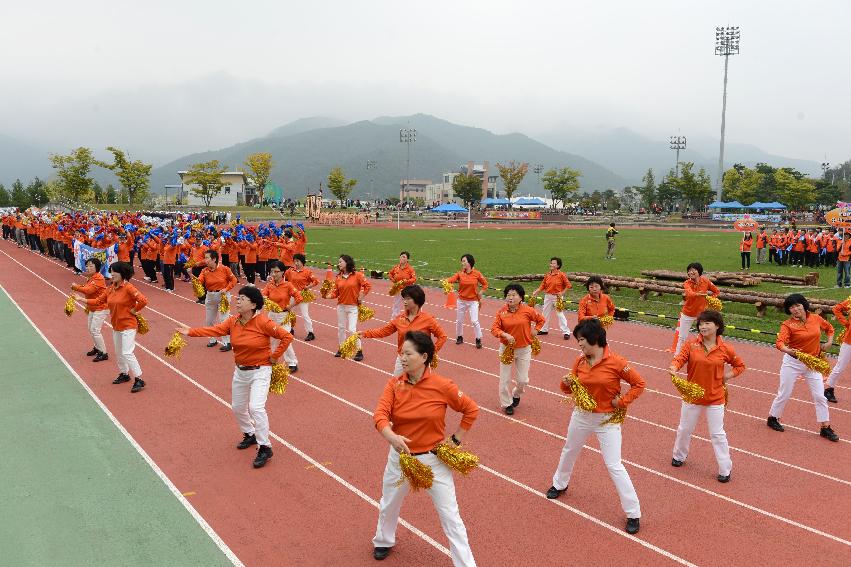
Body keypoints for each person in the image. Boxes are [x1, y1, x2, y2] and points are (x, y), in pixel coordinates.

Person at [371, 331, 479, 565]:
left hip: (433, 462)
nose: (402, 357)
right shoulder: (394, 384)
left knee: (451, 516)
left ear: (424, 356)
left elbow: (471, 409)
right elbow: (379, 415)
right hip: (400, 459)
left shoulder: (442, 386)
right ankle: (383, 540)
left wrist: (456, 439)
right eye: (401, 353)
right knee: (389, 503)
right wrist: (392, 437)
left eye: (408, 353)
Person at [546, 319, 645, 535]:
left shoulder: (617, 362)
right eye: (578, 340)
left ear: (595, 339)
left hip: (607, 420)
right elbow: (567, 390)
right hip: (581, 415)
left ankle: (633, 512)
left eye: (582, 339)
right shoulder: (579, 361)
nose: (579, 344)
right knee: (569, 450)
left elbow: (639, 383)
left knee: (614, 464)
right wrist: (566, 382)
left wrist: (622, 401)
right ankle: (559, 484)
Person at [177, 286, 293, 469]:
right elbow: (215, 330)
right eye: (237, 298)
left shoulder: (263, 322)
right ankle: (250, 433)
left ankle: (265, 447)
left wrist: (275, 356)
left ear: (254, 304)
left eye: (242, 299)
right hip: (240, 371)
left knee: (256, 407)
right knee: (238, 407)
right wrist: (191, 331)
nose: (237, 301)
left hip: (261, 371)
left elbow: (286, 336)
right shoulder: (233, 321)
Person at [668, 310, 745, 482]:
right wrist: (674, 367)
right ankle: (679, 456)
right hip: (692, 396)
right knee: (685, 429)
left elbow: (740, 366)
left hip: (715, 397)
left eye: (707, 323)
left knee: (717, 434)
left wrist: (727, 376)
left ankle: (725, 469)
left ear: (717, 326)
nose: (703, 326)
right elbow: (680, 359)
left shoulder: (726, 348)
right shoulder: (691, 345)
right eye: (701, 324)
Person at [767, 294, 839, 442]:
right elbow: (779, 343)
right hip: (792, 363)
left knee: (820, 395)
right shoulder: (787, 325)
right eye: (791, 307)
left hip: (812, 363)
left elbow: (830, 328)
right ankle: (773, 417)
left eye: (798, 305)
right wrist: (789, 351)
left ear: (804, 305)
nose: (795, 309)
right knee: (784, 393)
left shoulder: (816, 318)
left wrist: (830, 342)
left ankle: (825, 427)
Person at [76, 261, 148, 393]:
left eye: (115, 271)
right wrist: (82, 300)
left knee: (127, 352)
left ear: (123, 273)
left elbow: (143, 300)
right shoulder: (110, 289)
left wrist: (134, 310)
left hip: (128, 325)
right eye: (111, 271)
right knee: (119, 352)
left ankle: (139, 378)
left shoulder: (129, 288)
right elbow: (98, 301)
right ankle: (124, 374)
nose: (112, 274)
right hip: (116, 326)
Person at [361, 285, 447, 375]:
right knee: (397, 386)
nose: (404, 302)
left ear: (417, 300)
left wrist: (432, 351)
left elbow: (442, 336)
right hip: (403, 359)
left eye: (408, 299)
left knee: (420, 388)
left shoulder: (428, 320)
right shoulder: (399, 319)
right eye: (404, 299)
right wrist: (364, 334)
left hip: (420, 361)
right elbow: (383, 331)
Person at [492, 284, 545, 415]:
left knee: (523, 380)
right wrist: (505, 334)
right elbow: (494, 329)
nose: (510, 297)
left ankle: (516, 393)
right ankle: (507, 403)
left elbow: (541, 320)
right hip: (506, 349)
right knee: (504, 379)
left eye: (513, 295)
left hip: (524, 349)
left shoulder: (528, 310)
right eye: (508, 295)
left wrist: (536, 330)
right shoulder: (501, 312)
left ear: (521, 297)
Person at [330, 254, 371, 361]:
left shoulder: (357, 275)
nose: (338, 264)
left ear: (347, 263)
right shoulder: (338, 277)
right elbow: (336, 293)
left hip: (353, 307)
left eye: (340, 262)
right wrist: (328, 296)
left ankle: (359, 351)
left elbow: (367, 286)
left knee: (352, 329)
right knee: (341, 328)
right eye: (338, 262)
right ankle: (342, 348)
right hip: (341, 307)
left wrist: (361, 296)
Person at [262, 261, 301, 372]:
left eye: (276, 272)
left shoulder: (288, 285)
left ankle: (292, 363)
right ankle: (273, 361)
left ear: (283, 272)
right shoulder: (270, 285)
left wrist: (290, 306)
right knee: (273, 340)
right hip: (272, 316)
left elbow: (299, 298)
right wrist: (265, 300)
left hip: (283, 316)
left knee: (285, 339)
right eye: (272, 271)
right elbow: (264, 295)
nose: (274, 274)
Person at [672, 263, 719, 355]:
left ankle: (702, 355)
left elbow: (716, 291)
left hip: (701, 315)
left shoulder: (706, 281)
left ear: (699, 271)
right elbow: (690, 294)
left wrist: (711, 299)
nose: (691, 272)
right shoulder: (686, 283)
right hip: (687, 314)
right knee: (682, 337)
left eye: (693, 270)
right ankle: (677, 356)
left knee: (703, 336)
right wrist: (699, 294)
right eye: (689, 270)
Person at [197, 250, 238, 352]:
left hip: (223, 296)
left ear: (214, 259)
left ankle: (227, 342)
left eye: (207, 258)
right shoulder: (204, 271)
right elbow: (200, 281)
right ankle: (212, 339)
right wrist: (196, 282)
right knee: (209, 320)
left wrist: (227, 288)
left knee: (223, 319)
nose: (205, 260)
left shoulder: (225, 269)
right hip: (210, 296)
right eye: (205, 258)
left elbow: (234, 280)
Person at [70, 257, 110, 362]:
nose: (88, 268)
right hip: (93, 307)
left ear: (97, 267)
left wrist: (76, 287)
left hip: (100, 308)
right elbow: (86, 286)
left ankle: (103, 352)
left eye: (91, 266)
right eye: (87, 266)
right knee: (91, 328)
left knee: (95, 330)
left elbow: (89, 290)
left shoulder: (99, 278)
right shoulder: (92, 277)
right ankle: (97, 347)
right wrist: (78, 286)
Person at [446, 254, 488, 349]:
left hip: (473, 301)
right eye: (462, 261)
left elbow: (485, 284)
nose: (462, 263)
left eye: (464, 261)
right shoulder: (460, 274)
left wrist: (481, 292)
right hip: (461, 301)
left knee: (474, 321)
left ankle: (478, 339)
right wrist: (446, 281)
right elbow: (451, 279)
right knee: (459, 321)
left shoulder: (477, 273)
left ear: (469, 262)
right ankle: (459, 337)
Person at [530, 257, 572, 340]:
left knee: (560, 314)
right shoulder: (547, 274)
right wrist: (537, 291)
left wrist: (562, 293)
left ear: (558, 265)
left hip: (557, 298)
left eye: (553, 263)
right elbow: (543, 285)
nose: (551, 264)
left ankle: (566, 332)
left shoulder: (561, 275)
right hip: (547, 297)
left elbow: (568, 285)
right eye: (551, 263)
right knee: (545, 313)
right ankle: (544, 329)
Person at [285, 253, 320, 341]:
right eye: (295, 261)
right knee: (290, 313)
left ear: (302, 262)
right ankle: (290, 329)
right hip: (292, 294)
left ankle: (310, 333)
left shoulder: (307, 272)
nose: (296, 263)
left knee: (305, 314)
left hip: (303, 295)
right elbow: (284, 278)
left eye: (298, 261)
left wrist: (308, 287)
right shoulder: (290, 270)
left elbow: (316, 281)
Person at [825, 296, 851, 403]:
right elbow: (836, 309)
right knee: (840, 366)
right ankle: (828, 390)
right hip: (850, 341)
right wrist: (845, 322)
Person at [387, 251, 417, 318]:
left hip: (407, 290)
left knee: (408, 305)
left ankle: (410, 318)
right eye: (401, 256)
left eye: (404, 257)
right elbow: (390, 273)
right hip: (397, 289)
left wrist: (406, 281)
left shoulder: (410, 269)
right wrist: (393, 279)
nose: (402, 258)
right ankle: (394, 319)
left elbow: (414, 279)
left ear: (407, 259)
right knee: (396, 304)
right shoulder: (396, 267)